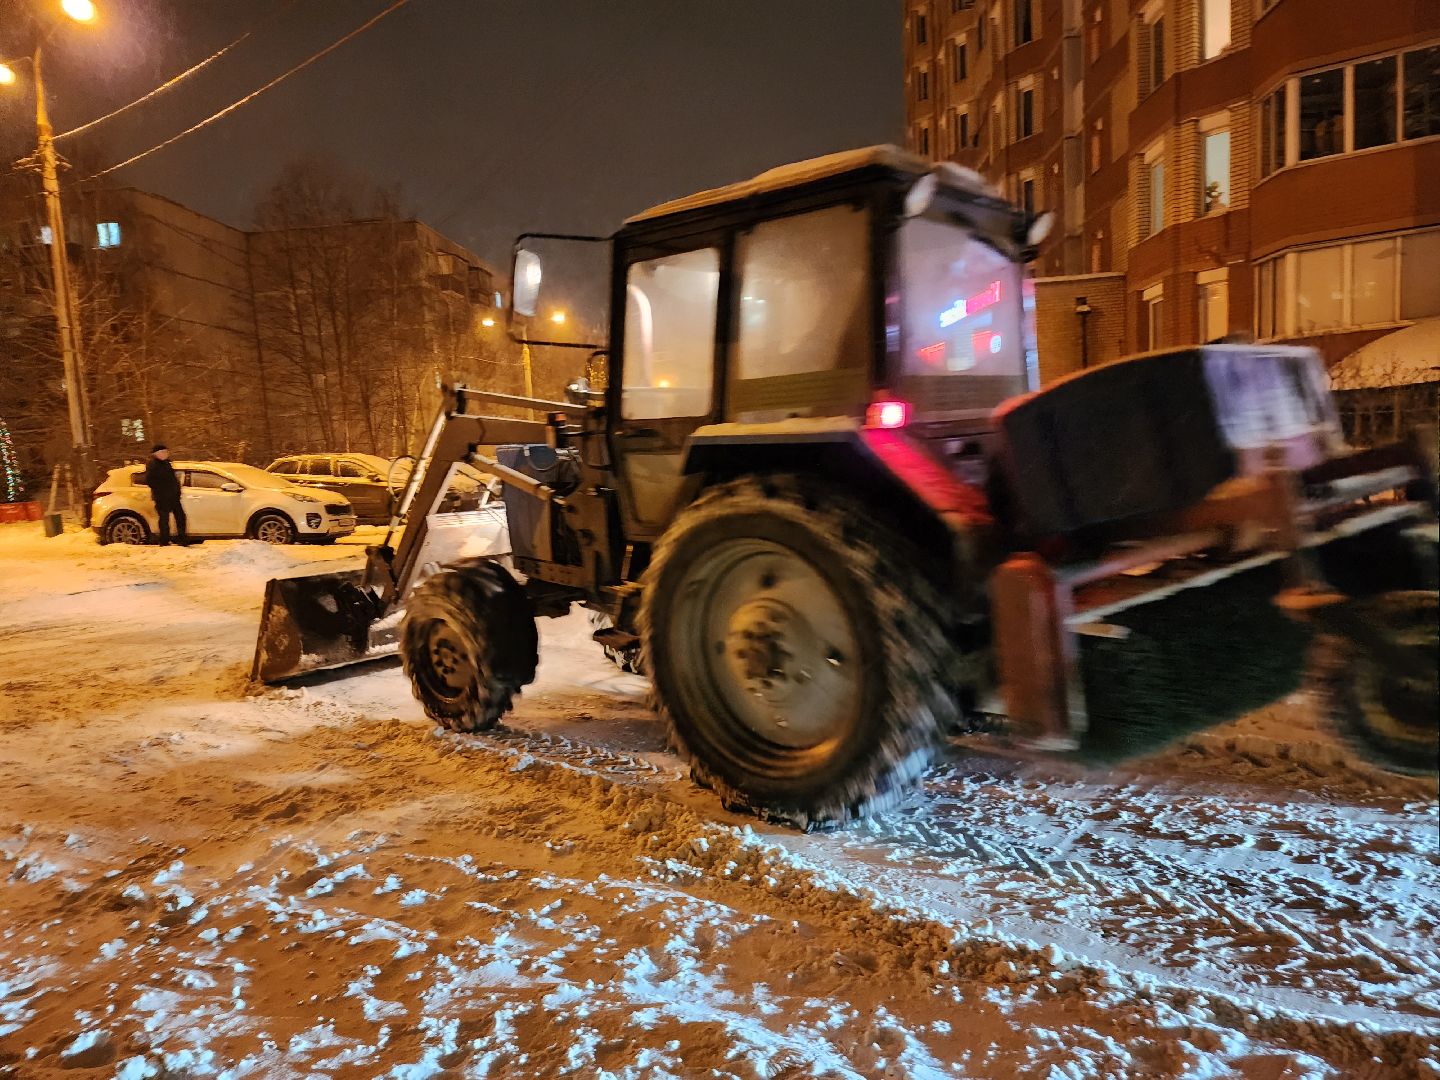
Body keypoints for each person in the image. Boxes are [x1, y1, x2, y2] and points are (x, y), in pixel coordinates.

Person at [144, 443, 187, 546]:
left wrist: (177, 491)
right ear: (157, 454)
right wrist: (162, 491)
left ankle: (181, 539)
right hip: (162, 498)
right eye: (163, 452)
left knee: (180, 516)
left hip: (173, 496)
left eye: (166, 452)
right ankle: (164, 540)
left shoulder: (167, 463)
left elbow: (172, 479)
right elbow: (150, 481)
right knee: (164, 519)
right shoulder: (153, 465)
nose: (166, 454)